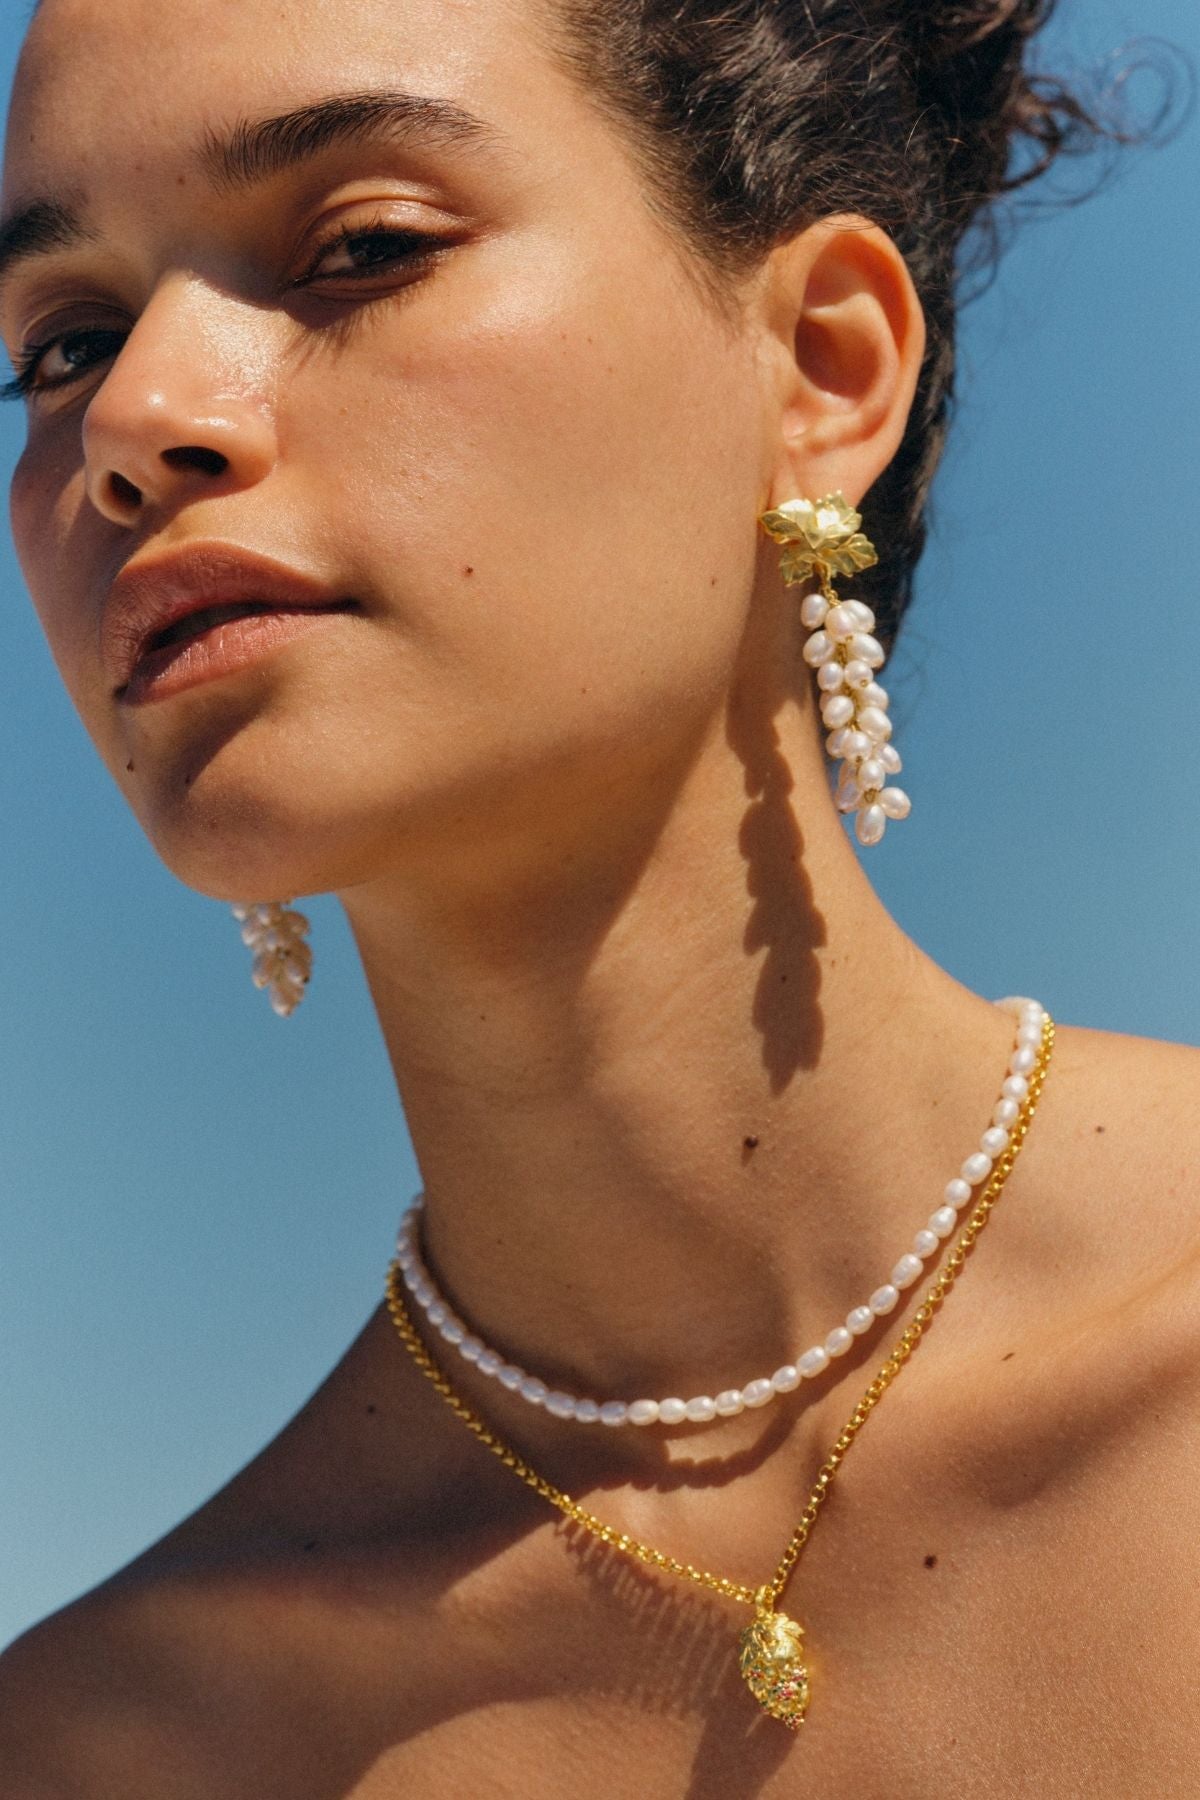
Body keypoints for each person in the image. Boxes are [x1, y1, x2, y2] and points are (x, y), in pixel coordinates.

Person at [0, 0, 1196, 1792]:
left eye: (363, 250)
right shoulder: (111, 1749)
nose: (138, 420)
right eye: (64, 342)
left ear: (824, 367)